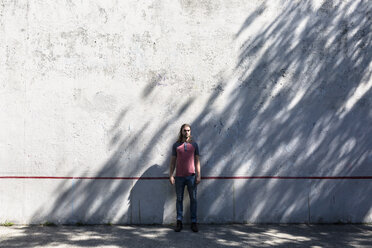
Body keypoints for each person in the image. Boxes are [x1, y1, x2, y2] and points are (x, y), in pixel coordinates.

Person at [169, 123, 201, 232]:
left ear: (190, 132)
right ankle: (179, 222)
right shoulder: (176, 145)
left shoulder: (195, 145)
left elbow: (197, 161)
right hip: (179, 177)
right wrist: (171, 175)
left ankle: (193, 222)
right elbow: (173, 162)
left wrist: (198, 175)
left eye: (188, 130)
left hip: (191, 177)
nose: (186, 132)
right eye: (184, 130)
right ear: (181, 131)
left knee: (193, 199)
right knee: (179, 199)